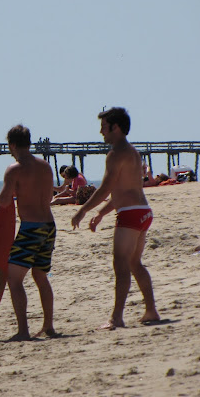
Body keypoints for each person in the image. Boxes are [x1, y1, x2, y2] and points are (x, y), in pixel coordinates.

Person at [71, 107, 160, 330]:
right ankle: (151, 310)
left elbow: (105, 188)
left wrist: (83, 210)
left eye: (104, 127)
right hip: (143, 211)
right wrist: (101, 213)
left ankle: (116, 318)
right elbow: (124, 190)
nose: (101, 132)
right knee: (134, 263)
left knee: (121, 265)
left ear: (116, 127)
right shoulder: (133, 152)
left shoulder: (115, 154)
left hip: (130, 215)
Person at [0, 124, 57, 341]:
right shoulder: (45, 166)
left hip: (31, 228)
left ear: (12, 145)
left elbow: (4, 201)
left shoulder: (14, 169)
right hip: (49, 226)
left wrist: (14, 190)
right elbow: (49, 198)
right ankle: (49, 326)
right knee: (41, 276)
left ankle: (23, 331)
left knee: (14, 280)